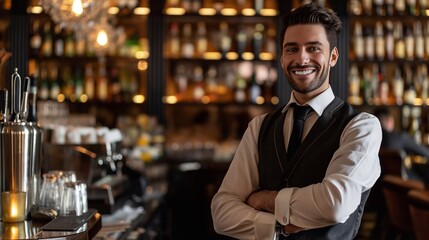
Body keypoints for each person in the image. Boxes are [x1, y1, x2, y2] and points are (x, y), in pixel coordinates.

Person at [211, 2, 382, 239]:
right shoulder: (260, 126)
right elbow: (221, 213)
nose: (301, 59)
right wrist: (278, 227)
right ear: (282, 58)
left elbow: (335, 203)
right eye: (291, 49)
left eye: (313, 48)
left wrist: (265, 199)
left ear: (333, 57)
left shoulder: (361, 127)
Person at [374, 106, 429, 180]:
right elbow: (425, 152)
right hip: (405, 184)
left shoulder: (373, 140)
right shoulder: (400, 138)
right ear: (390, 121)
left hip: (383, 184)